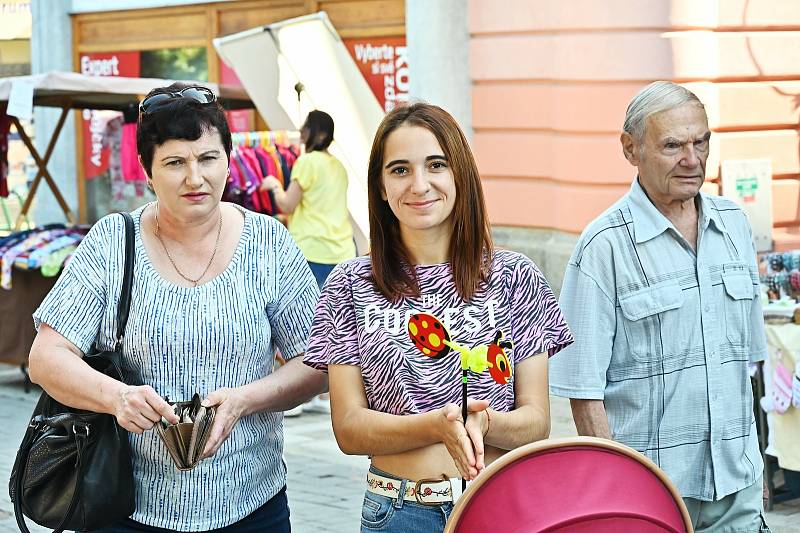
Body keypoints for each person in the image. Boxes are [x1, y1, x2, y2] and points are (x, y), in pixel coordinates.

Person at [27, 83, 327, 532]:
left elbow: (319, 362)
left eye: (208, 158)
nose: (195, 178)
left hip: (253, 505)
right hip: (125, 507)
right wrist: (118, 398)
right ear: (147, 171)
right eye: (174, 162)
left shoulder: (269, 242)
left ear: (228, 159)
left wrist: (246, 400)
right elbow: (45, 358)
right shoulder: (113, 243)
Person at [303, 103, 573, 532]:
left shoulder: (516, 277)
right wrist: (433, 426)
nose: (420, 184)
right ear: (381, 185)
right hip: (399, 513)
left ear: (459, 174)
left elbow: (537, 421)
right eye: (399, 170)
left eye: (436, 165)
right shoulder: (349, 283)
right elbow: (349, 428)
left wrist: (485, 422)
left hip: (499, 507)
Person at [549, 81, 770, 532]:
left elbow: (749, 364)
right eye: (673, 145)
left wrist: (757, 461)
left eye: (701, 141)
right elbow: (583, 391)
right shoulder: (603, 247)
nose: (693, 159)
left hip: (737, 486)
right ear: (630, 148)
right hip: (650, 495)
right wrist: (615, 491)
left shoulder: (733, 226)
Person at [263, 110, 355, 289]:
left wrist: (274, 185)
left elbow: (287, 205)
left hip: (313, 251)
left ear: (321, 135)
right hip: (344, 250)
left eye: (307, 126)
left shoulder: (307, 162)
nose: (301, 130)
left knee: (311, 314)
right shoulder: (339, 166)